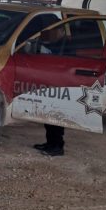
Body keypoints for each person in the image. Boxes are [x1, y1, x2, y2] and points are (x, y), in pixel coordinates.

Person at [33, 24, 68, 156]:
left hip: (61, 85)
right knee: (49, 117)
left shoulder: (65, 44)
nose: (51, 33)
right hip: (51, 83)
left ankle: (57, 147)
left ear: (62, 31)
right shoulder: (55, 43)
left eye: (55, 31)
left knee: (56, 117)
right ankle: (50, 143)